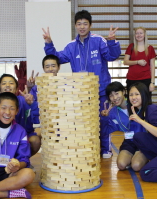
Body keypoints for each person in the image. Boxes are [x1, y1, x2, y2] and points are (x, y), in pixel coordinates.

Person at [42, 10, 121, 158]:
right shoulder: (71, 46)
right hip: (79, 93)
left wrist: (111, 41)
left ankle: (105, 149)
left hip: (101, 91)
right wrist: (48, 44)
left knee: (104, 120)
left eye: (85, 23)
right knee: (83, 122)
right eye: (79, 24)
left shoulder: (99, 41)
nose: (82, 27)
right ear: (75, 26)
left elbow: (113, 55)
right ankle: (87, 149)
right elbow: (57, 58)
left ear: (90, 25)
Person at [101, 82, 147, 171]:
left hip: (143, 141)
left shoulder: (135, 103)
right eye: (111, 95)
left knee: (136, 166)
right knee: (121, 165)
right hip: (129, 141)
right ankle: (134, 156)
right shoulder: (113, 112)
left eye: (117, 93)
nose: (114, 98)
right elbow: (105, 131)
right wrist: (105, 118)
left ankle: (144, 157)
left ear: (123, 92)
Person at [0, 74, 40, 158]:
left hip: (23, 135)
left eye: (11, 83)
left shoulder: (24, 100)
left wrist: (31, 104)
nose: (8, 85)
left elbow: (37, 119)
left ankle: (24, 160)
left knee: (35, 140)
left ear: (17, 89)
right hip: (2, 137)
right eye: (4, 83)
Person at [124, 26, 156, 97]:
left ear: (144, 35)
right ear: (135, 35)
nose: (139, 35)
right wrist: (137, 62)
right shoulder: (131, 47)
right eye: (137, 33)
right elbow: (125, 62)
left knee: (146, 102)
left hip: (145, 80)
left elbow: (152, 66)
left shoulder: (150, 48)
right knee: (132, 101)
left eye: (141, 33)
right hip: (131, 80)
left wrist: (152, 82)